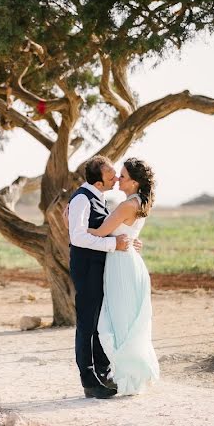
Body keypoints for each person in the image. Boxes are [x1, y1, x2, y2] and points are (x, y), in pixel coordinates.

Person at [66, 155, 141, 399]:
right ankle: (89, 381)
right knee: (87, 325)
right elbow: (77, 237)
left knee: (99, 323)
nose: (116, 178)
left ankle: (103, 373)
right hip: (86, 268)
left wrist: (127, 243)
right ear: (99, 183)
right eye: (111, 176)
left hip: (100, 268)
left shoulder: (99, 198)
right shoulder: (81, 199)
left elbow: (106, 230)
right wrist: (113, 244)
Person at [86, 157, 160, 395]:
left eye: (124, 176)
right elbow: (127, 234)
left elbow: (100, 232)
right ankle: (129, 375)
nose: (118, 178)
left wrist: (72, 226)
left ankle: (128, 377)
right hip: (128, 262)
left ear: (135, 182)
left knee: (120, 321)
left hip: (121, 266)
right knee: (126, 320)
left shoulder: (127, 205)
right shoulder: (137, 202)